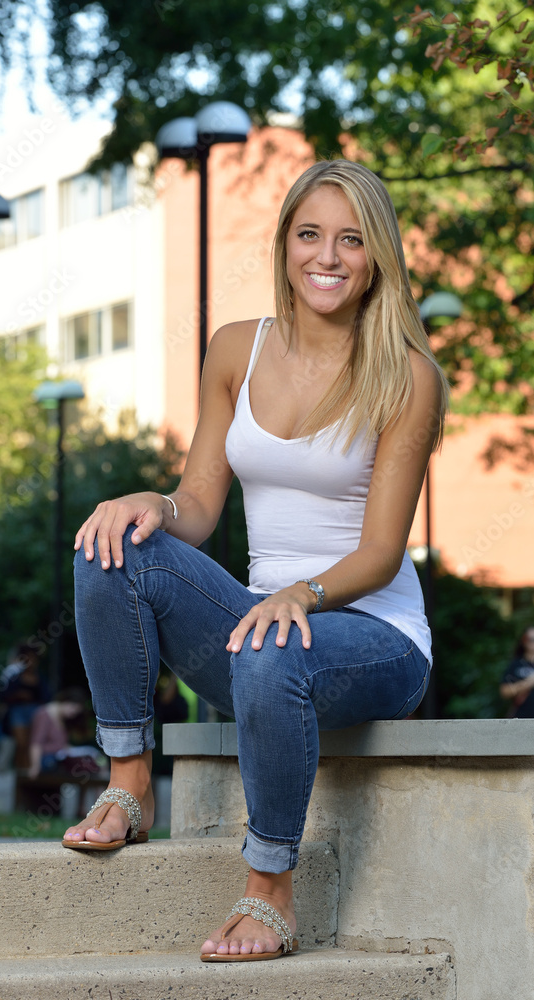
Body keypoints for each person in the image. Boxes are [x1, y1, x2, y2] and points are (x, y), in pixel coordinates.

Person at [62, 159, 448, 962]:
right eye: (310, 235)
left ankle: (269, 890)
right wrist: (152, 507)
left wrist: (302, 595)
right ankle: (129, 780)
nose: (327, 257)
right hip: (260, 630)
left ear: (376, 254)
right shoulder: (235, 350)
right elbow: (199, 503)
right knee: (111, 547)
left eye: (350, 239)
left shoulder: (406, 375)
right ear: (283, 246)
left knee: (275, 646)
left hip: (371, 634)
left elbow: (380, 553)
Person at [499, 626, 534, 718]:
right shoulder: (516, 664)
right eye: (530, 639)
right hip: (523, 717)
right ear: (523, 641)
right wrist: (527, 684)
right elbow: (504, 691)